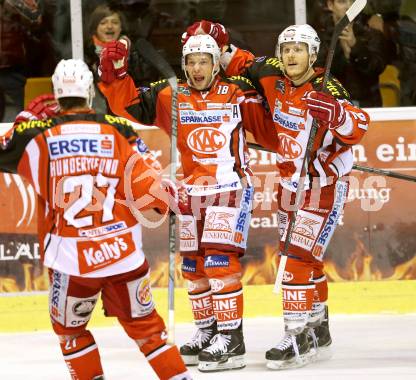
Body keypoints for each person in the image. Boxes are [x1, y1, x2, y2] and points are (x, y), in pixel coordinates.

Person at [184, 21, 370, 369]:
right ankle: (319, 330)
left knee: (296, 260)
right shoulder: (272, 74)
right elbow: (239, 61)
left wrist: (337, 115)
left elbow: (359, 126)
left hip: (322, 186)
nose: (290, 55)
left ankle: (296, 333)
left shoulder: (329, 88)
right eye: (286, 50)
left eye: (298, 50)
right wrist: (212, 40)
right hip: (289, 187)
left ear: (313, 55)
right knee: (303, 259)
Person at [0, 59, 192, 380]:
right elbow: (151, 188)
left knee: (70, 331)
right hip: (122, 254)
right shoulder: (119, 130)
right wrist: (167, 199)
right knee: (148, 330)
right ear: (90, 91)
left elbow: (5, 150)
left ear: (57, 94)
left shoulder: (38, 134)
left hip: (73, 259)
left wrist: (25, 119)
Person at [98, 34, 274, 372]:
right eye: (191, 62)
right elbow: (128, 104)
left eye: (203, 61)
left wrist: (302, 145)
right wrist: (115, 75)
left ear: (214, 63)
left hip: (229, 188)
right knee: (193, 268)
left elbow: (269, 126)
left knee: (219, 264)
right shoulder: (171, 96)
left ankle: (232, 339)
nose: (196, 68)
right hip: (191, 192)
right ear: (184, 65)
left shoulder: (237, 92)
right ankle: (208, 331)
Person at [313, 0, 387, 107]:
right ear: (330, 5)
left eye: (353, 2)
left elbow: (376, 68)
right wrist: (337, 44)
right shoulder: (318, 38)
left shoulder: (372, 35)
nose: (348, 7)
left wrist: (355, 46)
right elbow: (316, 72)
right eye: (342, 2)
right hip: (330, 104)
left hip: (365, 105)